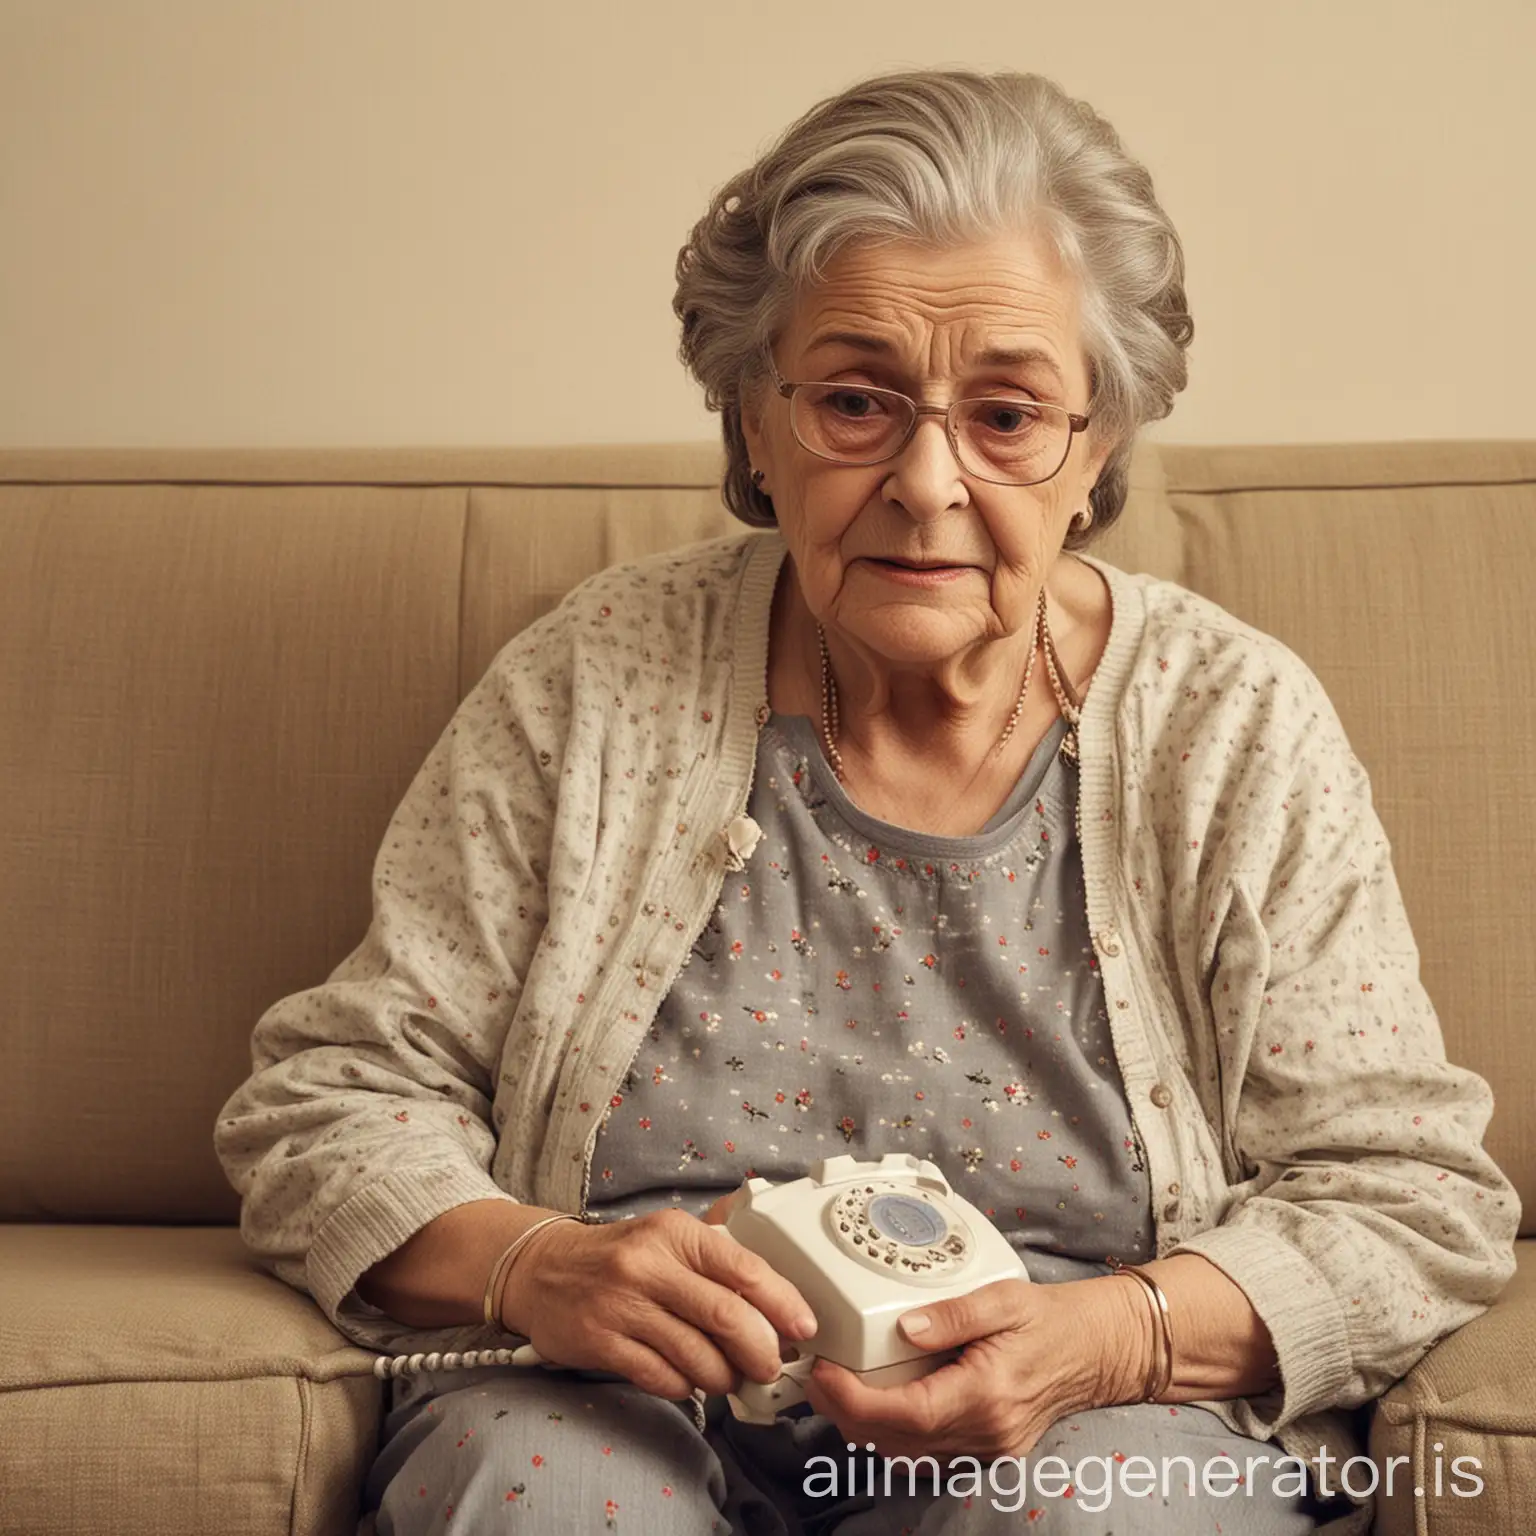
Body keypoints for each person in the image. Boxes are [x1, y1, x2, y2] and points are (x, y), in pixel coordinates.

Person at [213, 66, 1518, 1536]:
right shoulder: (592, 682)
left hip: (1098, 1424)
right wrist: (536, 1266)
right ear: (752, 426)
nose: (926, 480)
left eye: (1009, 415)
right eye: (855, 401)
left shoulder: (1232, 727)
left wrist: (1114, 1338)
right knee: (537, 1487)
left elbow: (1408, 1199)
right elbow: (332, 1102)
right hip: (615, 1406)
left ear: (1095, 450)